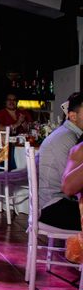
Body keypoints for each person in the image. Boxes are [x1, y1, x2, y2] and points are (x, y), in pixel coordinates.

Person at [37, 92, 83, 230]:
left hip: (54, 202)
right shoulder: (67, 137)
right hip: (52, 207)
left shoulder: (66, 133)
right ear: (73, 116)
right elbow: (71, 187)